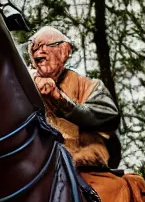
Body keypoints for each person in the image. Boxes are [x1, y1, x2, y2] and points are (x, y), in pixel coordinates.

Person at [28, 26, 121, 169]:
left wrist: (59, 99)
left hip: (83, 165)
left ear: (64, 51)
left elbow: (109, 118)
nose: (37, 50)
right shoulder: (25, 86)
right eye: (33, 47)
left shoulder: (89, 86)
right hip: (36, 163)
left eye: (43, 45)